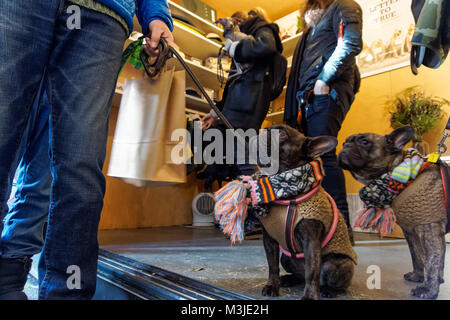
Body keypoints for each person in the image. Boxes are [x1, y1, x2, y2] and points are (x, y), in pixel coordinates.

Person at [0, 0, 174, 300]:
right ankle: (8, 278)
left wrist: (156, 15)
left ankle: (63, 293)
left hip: (101, 15)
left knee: (79, 171)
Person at [284, 0, 363, 243]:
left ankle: (341, 230)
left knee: (323, 157)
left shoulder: (344, 4)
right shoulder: (315, 22)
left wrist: (323, 79)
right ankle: (324, 227)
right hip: (310, 95)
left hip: (326, 91)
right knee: (313, 159)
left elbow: (351, 43)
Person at [201, 8, 283, 176]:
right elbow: (231, 89)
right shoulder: (245, 42)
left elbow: (266, 46)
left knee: (241, 155)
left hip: (248, 106)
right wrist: (214, 114)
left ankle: (255, 194)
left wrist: (234, 50)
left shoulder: (263, 29)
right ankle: (239, 189)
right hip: (240, 105)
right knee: (231, 150)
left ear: (238, 23)